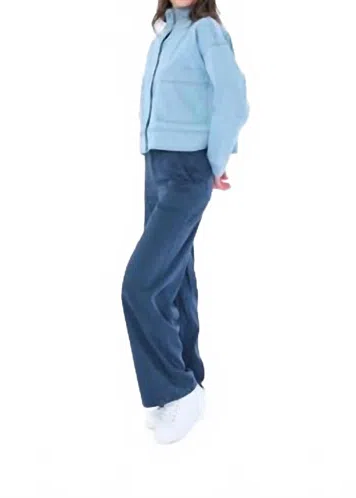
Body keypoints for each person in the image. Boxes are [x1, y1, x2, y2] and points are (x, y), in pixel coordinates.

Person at [121, 0, 250, 444]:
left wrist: (215, 160)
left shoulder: (205, 32)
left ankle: (176, 388)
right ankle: (189, 382)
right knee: (174, 279)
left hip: (187, 170)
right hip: (157, 165)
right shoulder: (163, 36)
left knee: (140, 284)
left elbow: (234, 98)